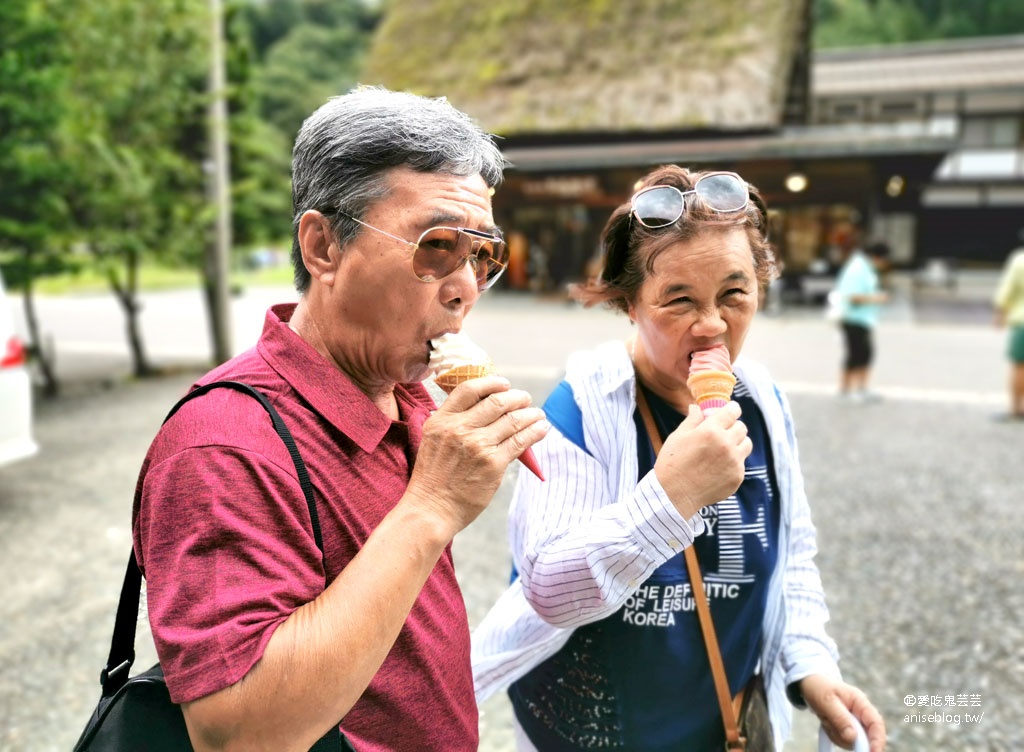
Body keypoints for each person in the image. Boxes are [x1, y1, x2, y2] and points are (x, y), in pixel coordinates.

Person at [131, 86, 549, 751]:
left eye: (482, 256)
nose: (466, 283)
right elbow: (237, 734)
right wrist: (432, 507)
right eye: (437, 245)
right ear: (323, 247)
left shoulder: (404, 394)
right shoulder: (223, 445)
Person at [471, 165, 886, 751]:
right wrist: (670, 498)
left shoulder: (762, 401)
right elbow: (547, 589)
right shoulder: (585, 404)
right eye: (679, 300)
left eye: (734, 294)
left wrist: (812, 669)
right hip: (592, 733)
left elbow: (791, 557)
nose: (713, 324)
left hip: (722, 729)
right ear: (628, 304)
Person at [833, 233, 889, 402]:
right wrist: (877, 298)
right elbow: (851, 296)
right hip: (853, 318)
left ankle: (859, 389)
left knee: (864, 354)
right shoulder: (858, 269)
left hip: (862, 319)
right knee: (856, 354)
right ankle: (848, 390)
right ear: (877, 256)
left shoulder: (863, 266)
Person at [992, 234, 1024, 420]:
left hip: (1022, 321)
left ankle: (1016, 409)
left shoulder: (1019, 259)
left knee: (1020, 366)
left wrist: (1000, 312)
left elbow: (1008, 288)